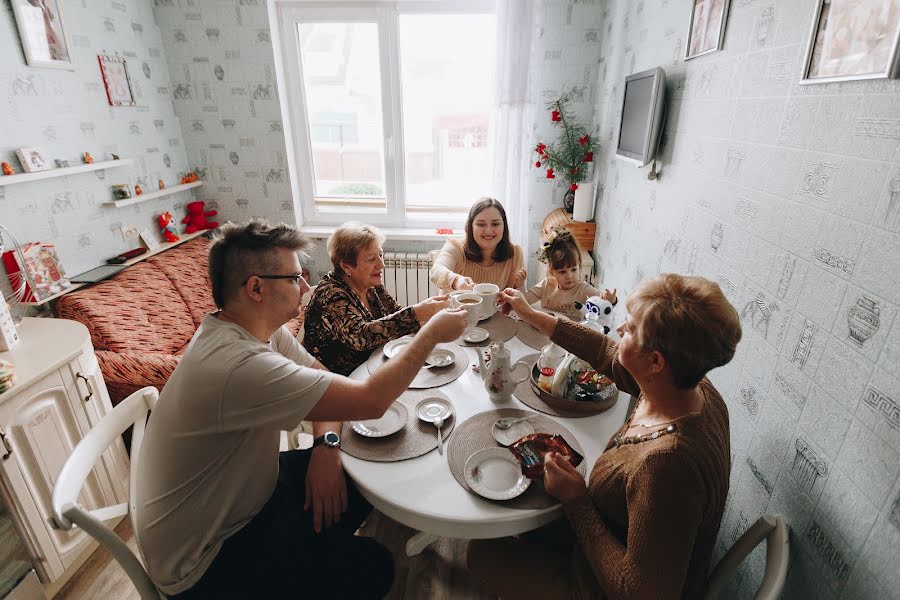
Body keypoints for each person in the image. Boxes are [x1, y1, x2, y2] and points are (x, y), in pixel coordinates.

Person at [134, 219, 467, 598]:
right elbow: (370, 402)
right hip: (207, 561)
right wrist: (432, 332)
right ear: (256, 288)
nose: (306, 286)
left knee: (359, 476)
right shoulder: (239, 365)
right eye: (294, 278)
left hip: (247, 498)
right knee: (374, 566)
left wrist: (325, 445)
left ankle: (312, 552)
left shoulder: (257, 331)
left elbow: (321, 377)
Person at [468, 274, 742, 599]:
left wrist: (577, 502)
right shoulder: (691, 388)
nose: (620, 331)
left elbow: (638, 592)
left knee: (481, 552)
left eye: (630, 327)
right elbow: (603, 349)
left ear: (655, 362)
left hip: (597, 585)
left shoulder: (668, 465)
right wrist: (530, 314)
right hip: (612, 530)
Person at [303, 222, 450, 375]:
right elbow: (361, 337)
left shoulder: (371, 285)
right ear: (346, 266)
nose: (381, 265)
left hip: (372, 366)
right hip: (336, 379)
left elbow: (397, 314)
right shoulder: (330, 295)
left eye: (380, 255)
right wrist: (416, 314)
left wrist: (430, 313)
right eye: (371, 259)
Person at [430, 197, 526, 292]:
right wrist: (457, 281)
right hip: (452, 307)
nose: (488, 231)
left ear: (504, 226)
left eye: (495, 224)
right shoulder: (455, 247)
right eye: (481, 224)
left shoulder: (515, 252)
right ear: (471, 226)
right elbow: (436, 271)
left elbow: (516, 299)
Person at [525, 227, 617, 320]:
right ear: (552, 271)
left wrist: (610, 301)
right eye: (562, 272)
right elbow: (524, 300)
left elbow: (603, 307)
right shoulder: (547, 285)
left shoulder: (584, 290)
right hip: (545, 331)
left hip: (572, 334)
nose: (569, 276)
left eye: (573, 269)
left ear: (579, 266)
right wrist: (520, 284)